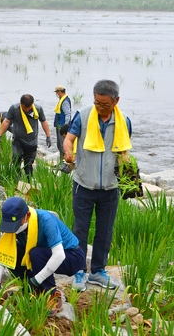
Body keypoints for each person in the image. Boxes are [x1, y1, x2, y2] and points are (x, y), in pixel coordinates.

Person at [63, 79, 132, 292]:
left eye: (105, 104)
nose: (100, 108)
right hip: (83, 184)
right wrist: (68, 151)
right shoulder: (83, 116)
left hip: (110, 188)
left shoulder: (124, 121)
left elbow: (123, 152)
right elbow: (69, 139)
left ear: (116, 101)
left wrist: (130, 179)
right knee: (80, 231)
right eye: (97, 103)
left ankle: (97, 272)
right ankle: (78, 272)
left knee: (105, 231)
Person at [0, 197, 85, 317]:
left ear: (27, 215)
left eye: (16, 224)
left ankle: (51, 294)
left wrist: (37, 280)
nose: (13, 229)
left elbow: (59, 255)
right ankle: (33, 290)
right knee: (13, 251)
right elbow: (2, 253)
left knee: (36, 254)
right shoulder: (12, 227)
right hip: (45, 254)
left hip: (72, 256)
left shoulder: (46, 220)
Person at [0, 94, 51, 179]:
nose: (28, 109)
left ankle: (29, 181)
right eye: (25, 107)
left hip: (32, 141)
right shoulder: (14, 108)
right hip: (18, 140)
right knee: (16, 159)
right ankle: (17, 178)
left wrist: (48, 136)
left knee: (29, 164)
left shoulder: (38, 109)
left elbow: (44, 121)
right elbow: (6, 121)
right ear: (21, 104)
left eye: (29, 107)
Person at [53, 85, 72, 161]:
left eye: (57, 92)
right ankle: (62, 160)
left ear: (60, 92)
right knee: (59, 144)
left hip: (62, 126)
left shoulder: (65, 101)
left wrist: (66, 126)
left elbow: (68, 114)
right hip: (59, 125)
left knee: (62, 144)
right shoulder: (62, 100)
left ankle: (64, 161)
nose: (56, 94)